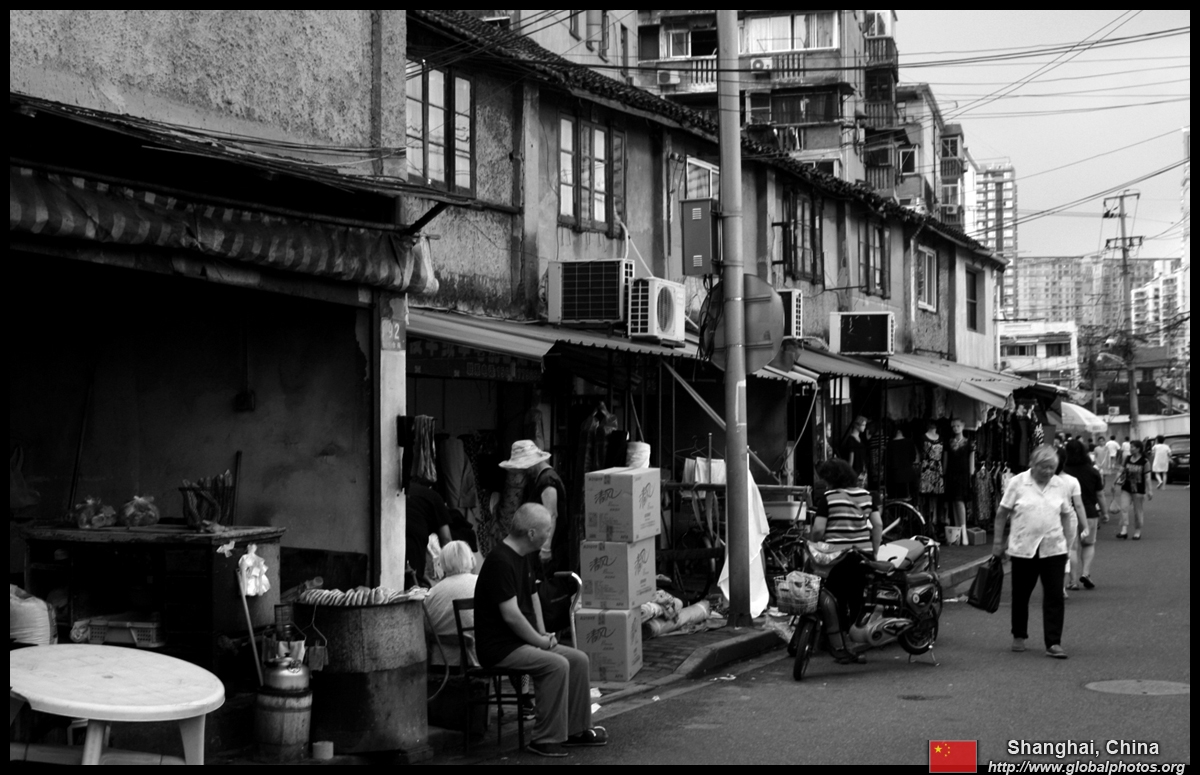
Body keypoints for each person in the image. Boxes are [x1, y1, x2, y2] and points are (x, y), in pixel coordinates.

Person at [474, 503, 608, 757]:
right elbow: (511, 616)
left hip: (521, 642)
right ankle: (544, 738)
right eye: (547, 529)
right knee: (555, 665)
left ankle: (576, 730)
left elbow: (533, 597)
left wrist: (544, 635)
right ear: (532, 533)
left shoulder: (523, 557)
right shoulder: (500, 561)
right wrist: (538, 640)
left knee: (578, 659)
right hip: (501, 647)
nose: (549, 534)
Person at [992, 445, 1077, 659]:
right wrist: (997, 543)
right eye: (1044, 467)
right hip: (1023, 547)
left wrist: (1068, 544)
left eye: (1052, 468)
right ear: (1033, 464)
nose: (1048, 472)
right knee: (1021, 594)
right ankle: (1019, 634)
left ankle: (1053, 642)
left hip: (1054, 547)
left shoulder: (1060, 485)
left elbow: (1066, 515)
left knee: (1054, 596)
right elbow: (1002, 514)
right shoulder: (1018, 482)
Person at [811, 458, 883, 665]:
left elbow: (818, 529)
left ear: (832, 479)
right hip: (862, 556)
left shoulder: (829, 498)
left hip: (837, 556)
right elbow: (877, 524)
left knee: (836, 597)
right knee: (857, 596)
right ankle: (856, 642)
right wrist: (874, 551)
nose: (824, 483)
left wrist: (814, 545)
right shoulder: (866, 495)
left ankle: (840, 643)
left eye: (825, 479)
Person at [424, 541, 479, 667]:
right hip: (476, 661)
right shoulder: (483, 584)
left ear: (442, 563)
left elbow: (426, 628)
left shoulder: (432, 593)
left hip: (441, 662)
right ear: (470, 559)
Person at [1062, 440, 1102, 590]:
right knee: (1089, 543)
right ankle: (1085, 573)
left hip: (1068, 513)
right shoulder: (1092, 471)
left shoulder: (1063, 472)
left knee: (1072, 548)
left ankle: (1072, 581)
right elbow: (1100, 494)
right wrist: (1104, 512)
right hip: (1090, 511)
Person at [406, 476, 453, 587]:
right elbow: (446, 539)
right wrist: (450, 577)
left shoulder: (400, 490)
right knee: (413, 586)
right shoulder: (433, 496)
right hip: (414, 542)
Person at [944, 419, 975, 538]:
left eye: (958, 426)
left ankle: (964, 530)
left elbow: (971, 460)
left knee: (959, 501)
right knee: (954, 502)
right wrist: (944, 473)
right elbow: (946, 460)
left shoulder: (968, 443)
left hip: (963, 475)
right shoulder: (949, 443)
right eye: (954, 426)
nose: (956, 428)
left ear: (963, 426)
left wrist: (971, 473)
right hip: (951, 474)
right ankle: (959, 533)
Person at [1116, 440, 1152, 540]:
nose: (1130, 449)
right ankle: (1124, 530)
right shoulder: (1127, 458)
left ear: (1138, 449)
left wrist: (1150, 490)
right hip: (1126, 488)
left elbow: (1147, 477)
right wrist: (1115, 483)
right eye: (1130, 447)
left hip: (1138, 490)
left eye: (1132, 447)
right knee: (1124, 508)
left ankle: (1137, 531)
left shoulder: (1145, 461)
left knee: (1137, 511)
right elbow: (1120, 471)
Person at [840, 416, 870, 488]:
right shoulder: (851, 440)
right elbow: (851, 459)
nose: (864, 427)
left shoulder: (859, 439)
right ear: (857, 425)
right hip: (856, 472)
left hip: (862, 472)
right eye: (863, 425)